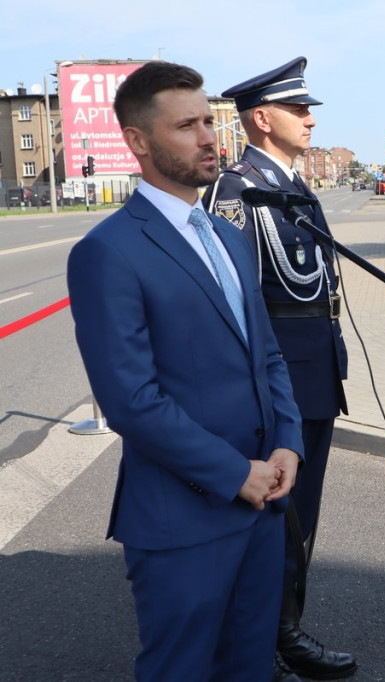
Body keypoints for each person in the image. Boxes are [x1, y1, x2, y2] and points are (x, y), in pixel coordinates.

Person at [66, 61, 304, 681]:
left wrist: (288, 442)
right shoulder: (107, 252)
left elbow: (267, 355)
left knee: (250, 667)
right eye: (186, 126)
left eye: (208, 122)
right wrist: (235, 474)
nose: (208, 138)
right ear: (139, 141)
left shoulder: (228, 237)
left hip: (262, 507)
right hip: (184, 521)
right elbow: (131, 400)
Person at [203, 57, 356, 682]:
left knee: (300, 519)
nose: (310, 119)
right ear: (262, 119)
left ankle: (284, 630)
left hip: (315, 376)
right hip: (275, 386)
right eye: (298, 109)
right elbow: (230, 303)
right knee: (270, 518)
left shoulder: (293, 186)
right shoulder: (237, 192)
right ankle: (255, 645)